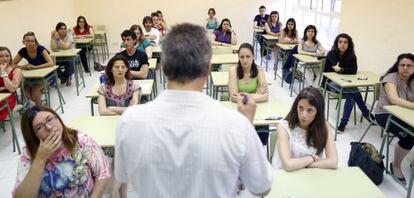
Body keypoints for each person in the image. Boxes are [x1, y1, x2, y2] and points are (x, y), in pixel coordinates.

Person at [115, 23, 272, 197]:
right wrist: (247, 125)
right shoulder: (236, 125)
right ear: (208, 69)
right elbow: (261, 186)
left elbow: (121, 176)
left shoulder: (129, 121)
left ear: (164, 67)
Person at [13, 106, 110, 197]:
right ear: (33, 136)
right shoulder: (29, 156)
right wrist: (40, 159)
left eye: (50, 119)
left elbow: (102, 172)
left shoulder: (80, 141)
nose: (49, 128)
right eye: (39, 127)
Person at [272, 87, 338, 171]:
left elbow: (333, 162)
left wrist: (304, 165)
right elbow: (288, 165)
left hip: (311, 177)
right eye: (300, 108)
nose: (304, 115)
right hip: (287, 177)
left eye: (310, 110)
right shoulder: (284, 126)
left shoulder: (325, 127)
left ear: (318, 112)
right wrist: (311, 158)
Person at [374, 53, 414, 184]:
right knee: (409, 136)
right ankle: (395, 165)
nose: (405, 68)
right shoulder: (390, 78)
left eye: (409, 65)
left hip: (404, 114)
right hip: (385, 114)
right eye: (402, 65)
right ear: (397, 66)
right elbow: (394, 99)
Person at [322, 33, 373, 132]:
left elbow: (353, 70)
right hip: (330, 83)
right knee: (354, 92)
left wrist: (341, 69)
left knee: (351, 94)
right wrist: (342, 70)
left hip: (346, 84)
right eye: (340, 42)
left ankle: (343, 123)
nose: (342, 44)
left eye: (345, 42)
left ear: (349, 44)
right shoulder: (332, 53)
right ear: (337, 43)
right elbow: (336, 69)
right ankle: (366, 113)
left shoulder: (351, 55)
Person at [228, 43, 269, 146]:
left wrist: (242, 96)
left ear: (253, 57)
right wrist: (256, 94)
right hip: (238, 109)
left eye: (248, 56)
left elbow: (265, 96)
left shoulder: (259, 70)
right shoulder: (233, 70)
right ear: (238, 58)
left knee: (262, 136)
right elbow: (233, 97)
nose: (245, 60)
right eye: (242, 57)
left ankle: (257, 151)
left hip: (257, 108)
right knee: (240, 139)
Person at [12, 32, 54, 106]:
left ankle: (40, 109)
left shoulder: (41, 49)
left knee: (35, 91)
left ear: (35, 41)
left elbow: (51, 63)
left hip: (47, 76)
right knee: (25, 92)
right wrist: (23, 67)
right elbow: (12, 64)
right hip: (32, 77)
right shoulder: (23, 51)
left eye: (32, 41)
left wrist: (35, 67)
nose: (30, 43)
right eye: (28, 41)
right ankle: (41, 104)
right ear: (23, 42)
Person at [0, 47, 22, 121]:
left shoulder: (16, 70)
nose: (4, 58)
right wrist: (4, 88)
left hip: (8, 98)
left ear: (10, 57)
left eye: (7, 56)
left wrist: (3, 73)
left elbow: (12, 89)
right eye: (1, 56)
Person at [50, 22, 75, 86]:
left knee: (69, 62)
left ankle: (67, 77)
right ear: (57, 30)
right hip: (59, 57)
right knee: (52, 65)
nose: (63, 30)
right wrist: (53, 38)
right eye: (61, 29)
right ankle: (65, 78)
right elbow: (54, 49)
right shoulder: (54, 36)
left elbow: (66, 47)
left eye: (65, 29)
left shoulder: (69, 36)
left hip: (70, 56)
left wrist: (58, 38)